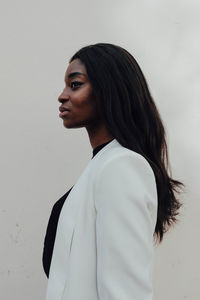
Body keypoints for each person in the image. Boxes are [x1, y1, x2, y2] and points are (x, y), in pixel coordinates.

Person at [43, 43, 184, 300]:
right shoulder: (102, 167)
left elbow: (126, 292)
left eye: (75, 84)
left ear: (108, 90)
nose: (62, 96)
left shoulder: (122, 167)